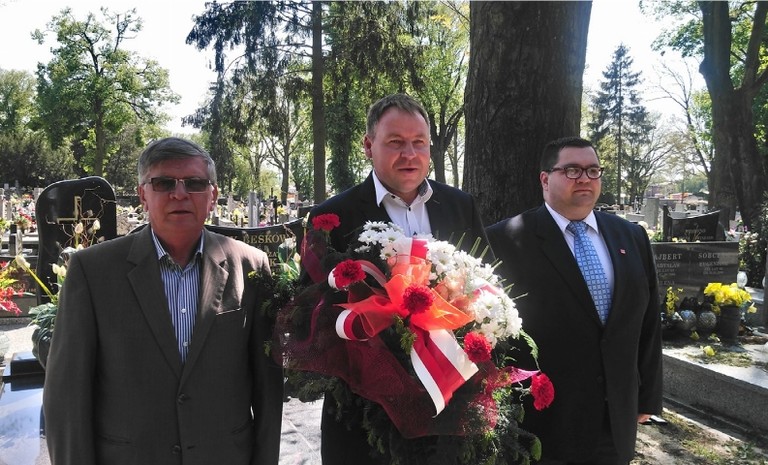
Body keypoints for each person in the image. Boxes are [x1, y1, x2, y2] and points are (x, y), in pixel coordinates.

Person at [43, 137, 283, 465]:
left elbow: (268, 390)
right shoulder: (92, 271)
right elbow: (67, 396)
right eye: (164, 183)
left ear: (213, 196)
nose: (179, 194)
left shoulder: (250, 266)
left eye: (195, 183)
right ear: (143, 194)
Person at [307, 93, 491, 465]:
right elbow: (312, 311)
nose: (409, 153)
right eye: (395, 142)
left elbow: (486, 288)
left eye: (419, 142)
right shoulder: (333, 216)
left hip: (451, 413)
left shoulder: (461, 206)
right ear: (368, 146)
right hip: (364, 418)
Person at [485, 136, 663, 465]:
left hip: (615, 419)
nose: (584, 178)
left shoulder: (631, 236)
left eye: (593, 170)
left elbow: (648, 321)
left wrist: (648, 396)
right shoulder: (504, 240)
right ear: (545, 179)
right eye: (571, 170)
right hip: (544, 423)